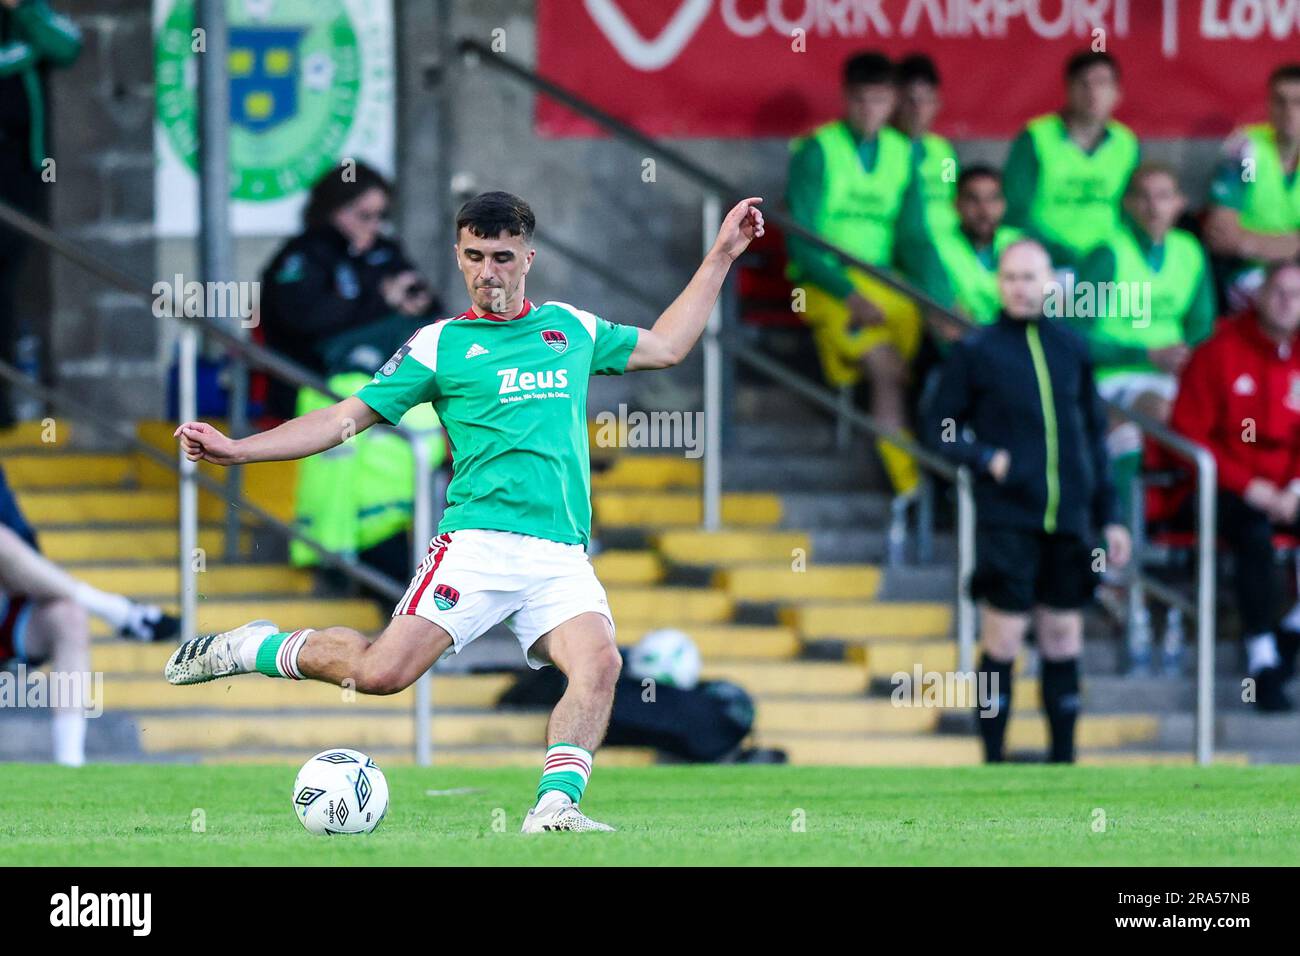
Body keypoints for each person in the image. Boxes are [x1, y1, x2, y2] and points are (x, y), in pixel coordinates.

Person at [166, 191, 765, 832]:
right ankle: (258, 645)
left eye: (503, 257)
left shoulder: (571, 330)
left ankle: (554, 809)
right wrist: (240, 450)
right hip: (477, 544)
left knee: (602, 664)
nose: (489, 272)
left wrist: (722, 254)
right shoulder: (439, 346)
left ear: (528, 258)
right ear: (458, 255)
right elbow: (345, 417)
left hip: (559, 553)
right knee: (379, 674)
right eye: (475, 256)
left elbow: (668, 345)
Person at [921, 239, 1131, 763]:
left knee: (1063, 637)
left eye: (1029, 277)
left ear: (1051, 284)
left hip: (1071, 519)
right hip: (1008, 517)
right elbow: (938, 426)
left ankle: (1064, 762)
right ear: (999, 284)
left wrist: (1111, 516)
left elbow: (1093, 438)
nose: (1020, 287)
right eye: (1010, 277)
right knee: (1004, 637)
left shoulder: (1072, 348)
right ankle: (993, 760)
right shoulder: (977, 349)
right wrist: (984, 455)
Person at [785, 51, 951, 508]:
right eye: (860, 100)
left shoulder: (902, 153)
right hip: (823, 284)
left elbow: (915, 238)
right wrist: (848, 293)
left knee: (943, 358)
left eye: (880, 100)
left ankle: (947, 471)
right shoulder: (817, 149)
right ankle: (907, 485)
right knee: (887, 369)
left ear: (892, 99)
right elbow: (800, 240)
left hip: (884, 284)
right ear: (845, 98)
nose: (870, 110)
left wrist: (945, 300)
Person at [1165, 262, 1300, 711]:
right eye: (1277, 291)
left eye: (1296, 294)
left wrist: (1293, 491)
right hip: (1213, 492)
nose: (1286, 302)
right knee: (1253, 529)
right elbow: (1187, 436)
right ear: (1259, 295)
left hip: (1287, 492)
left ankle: (1291, 629)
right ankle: (1262, 652)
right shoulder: (1218, 351)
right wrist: (1250, 487)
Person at [0, 465, 179, 765]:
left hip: (8, 613)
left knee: (69, 617)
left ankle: (70, 763)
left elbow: (24, 553)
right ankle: (118, 611)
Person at [1071, 163, 1215, 518]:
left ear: (1179, 203)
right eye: (1143, 197)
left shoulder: (1190, 251)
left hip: (1175, 374)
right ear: (1127, 203)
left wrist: (1186, 358)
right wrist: (1146, 354)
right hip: (1111, 378)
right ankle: (1119, 536)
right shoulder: (1106, 255)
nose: (1153, 207)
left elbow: (1202, 327)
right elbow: (1073, 336)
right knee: (1153, 416)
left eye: (1164, 197)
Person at [258, 162, 441, 418]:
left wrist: (419, 300)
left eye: (382, 216)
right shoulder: (303, 254)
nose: (375, 225)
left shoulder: (383, 249)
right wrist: (382, 298)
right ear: (333, 210)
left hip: (383, 387)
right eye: (365, 215)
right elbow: (304, 321)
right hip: (312, 388)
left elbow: (427, 302)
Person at [0, 0, 81, 427]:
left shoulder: (28, 14)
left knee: (6, 282)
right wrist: (26, 52)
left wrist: (23, 11)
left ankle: (5, 406)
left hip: (18, 171)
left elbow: (68, 45)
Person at [1003, 51, 1139, 270]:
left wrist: (1107, 258)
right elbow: (1015, 211)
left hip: (1108, 263)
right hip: (1045, 262)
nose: (1092, 93)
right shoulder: (1036, 137)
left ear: (1117, 93)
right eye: (1083, 84)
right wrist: (1056, 253)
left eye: (1102, 83)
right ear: (1068, 89)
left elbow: (1133, 211)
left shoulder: (1127, 143)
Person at [1204, 63, 1300, 312]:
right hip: (1250, 272)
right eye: (1280, 101)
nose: (1289, 111)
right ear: (1268, 104)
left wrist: (1252, 241)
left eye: (1298, 102)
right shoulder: (1247, 153)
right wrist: (1291, 245)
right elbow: (1221, 236)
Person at [931, 165, 1024, 332]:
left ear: (1003, 204)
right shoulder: (937, 246)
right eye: (973, 200)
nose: (984, 210)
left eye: (992, 199)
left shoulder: (1019, 243)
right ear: (956, 204)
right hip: (963, 340)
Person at [892, 52, 959, 239]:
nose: (918, 110)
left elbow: (950, 197)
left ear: (938, 104)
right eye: (910, 101)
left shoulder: (945, 152)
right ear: (895, 102)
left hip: (945, 244)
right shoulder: (886, 150)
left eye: (926, 100)